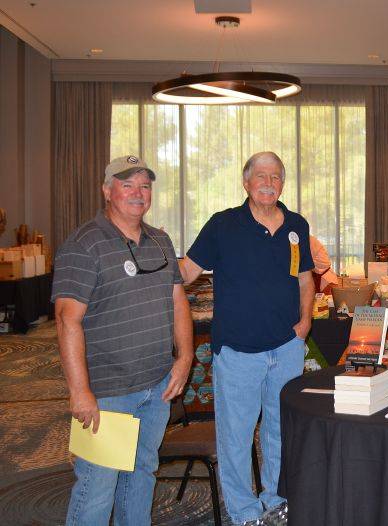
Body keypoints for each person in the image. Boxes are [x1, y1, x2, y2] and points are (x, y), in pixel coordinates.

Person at [52, 155, 193, 525]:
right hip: (108, 392)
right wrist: (80, 391)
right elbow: (67, 320)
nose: (137, 193)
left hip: (156, 386)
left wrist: (184, 358)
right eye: (127, 184)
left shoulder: (160, 240)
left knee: (142, 473)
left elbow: (177, 300)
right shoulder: (84, 244)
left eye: (144, 185)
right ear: (106, 190)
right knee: (98, 485)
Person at [179, 151, 314, 526]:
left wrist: (304, 323)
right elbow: (187, 271)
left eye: (276, 177)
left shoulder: (296, 226)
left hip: (286, 349)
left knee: (279, 432)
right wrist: (144, 271)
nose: (269, 183)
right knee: (236, 439)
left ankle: (275, 501)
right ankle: (243, 513)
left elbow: (306, 278)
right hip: (238, 352)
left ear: (282, 184)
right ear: (246, 182)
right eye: (261, 176)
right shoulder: (223, 225)